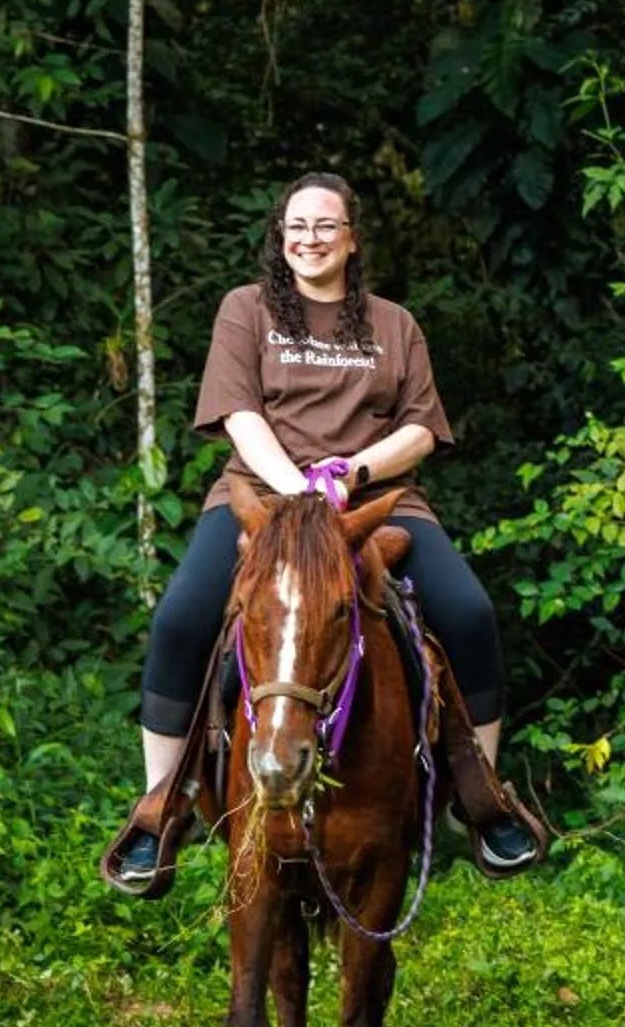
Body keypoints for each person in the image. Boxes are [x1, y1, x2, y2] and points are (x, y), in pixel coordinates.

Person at [108, 170, 540, 891]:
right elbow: (240, 416)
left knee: (468, 612)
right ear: (280, 237)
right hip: (263, 497)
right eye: (297, 227)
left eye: (325, 226)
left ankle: (480, 796)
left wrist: (352, 474)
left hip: (375, 502)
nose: (310, 240)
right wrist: (301, 490)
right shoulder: (246, 310)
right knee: (181, 619)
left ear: (352, 239)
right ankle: (162, 807)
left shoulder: (394, 324)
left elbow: (420, 432)